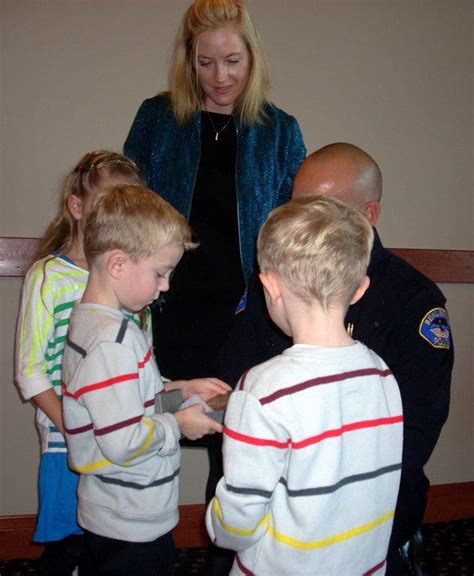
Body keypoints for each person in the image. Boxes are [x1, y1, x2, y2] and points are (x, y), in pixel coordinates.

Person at [218, 143, 453, 574]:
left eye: (324, 208)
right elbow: (235, 370)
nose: (306, 221)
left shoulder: (412, 299)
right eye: (298, 205)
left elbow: (418, 428)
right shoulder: (272, 276)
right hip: (274, 499)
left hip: (369, 511)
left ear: (370, 215)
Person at [206, 195, 404, 575]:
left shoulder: (262, 388)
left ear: (270, 287)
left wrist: (217, 526)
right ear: (360, 289)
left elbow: (238, 519)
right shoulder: (382, 374)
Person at [123, 0, 306, 383]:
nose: (220, 76)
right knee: (155, 430)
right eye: (206, 62)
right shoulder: (157, 119)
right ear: (189, 61)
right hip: (165, 304)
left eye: (232, 61)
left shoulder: (280, 132)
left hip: (248, 316)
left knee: (236, 434)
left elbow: (295, 231)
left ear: (252, 59)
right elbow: (128, 212)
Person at [61, 184, 230, 576]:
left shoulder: (97, 322)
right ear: (117, 264)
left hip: (113, 511)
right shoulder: (111, 341)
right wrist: (179, 425)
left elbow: (129, 400)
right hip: (129, 521)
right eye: (160, 273)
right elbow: (124, 441)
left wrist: (179, 390)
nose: (165, 285)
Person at [15, 150, 146, 576]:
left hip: (120, 437)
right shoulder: (48, 276)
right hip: (66, 442)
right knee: (68, 547)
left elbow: (142, 361)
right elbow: (30, 372)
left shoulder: (130, 278)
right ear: (76, 207)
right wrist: (74, 428)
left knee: (109, 548)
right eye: (110, 205)